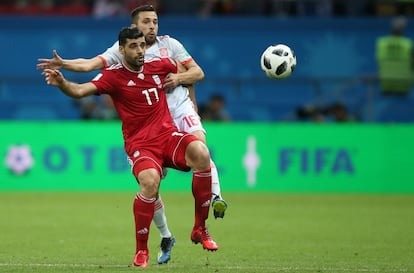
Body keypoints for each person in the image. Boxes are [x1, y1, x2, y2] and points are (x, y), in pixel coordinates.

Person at [37, 4, 228, 264]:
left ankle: (200, 228)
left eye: (142, 46)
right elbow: (80, 90)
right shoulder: (113, 77)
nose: (140, 51)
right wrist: (62, 82)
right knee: (150, 183)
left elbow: (194, 73)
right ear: (122, 49)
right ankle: (142, 249)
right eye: (134, 47)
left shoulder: (159, 63)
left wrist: (183, 85)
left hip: (167, 135)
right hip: (141, 144)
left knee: (202, 152)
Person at [375, 16, 414, 96]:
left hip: (386, 83)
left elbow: (379, 61)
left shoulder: (381, 43)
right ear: (403, 30)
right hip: (404, 84)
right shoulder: (408, 44)